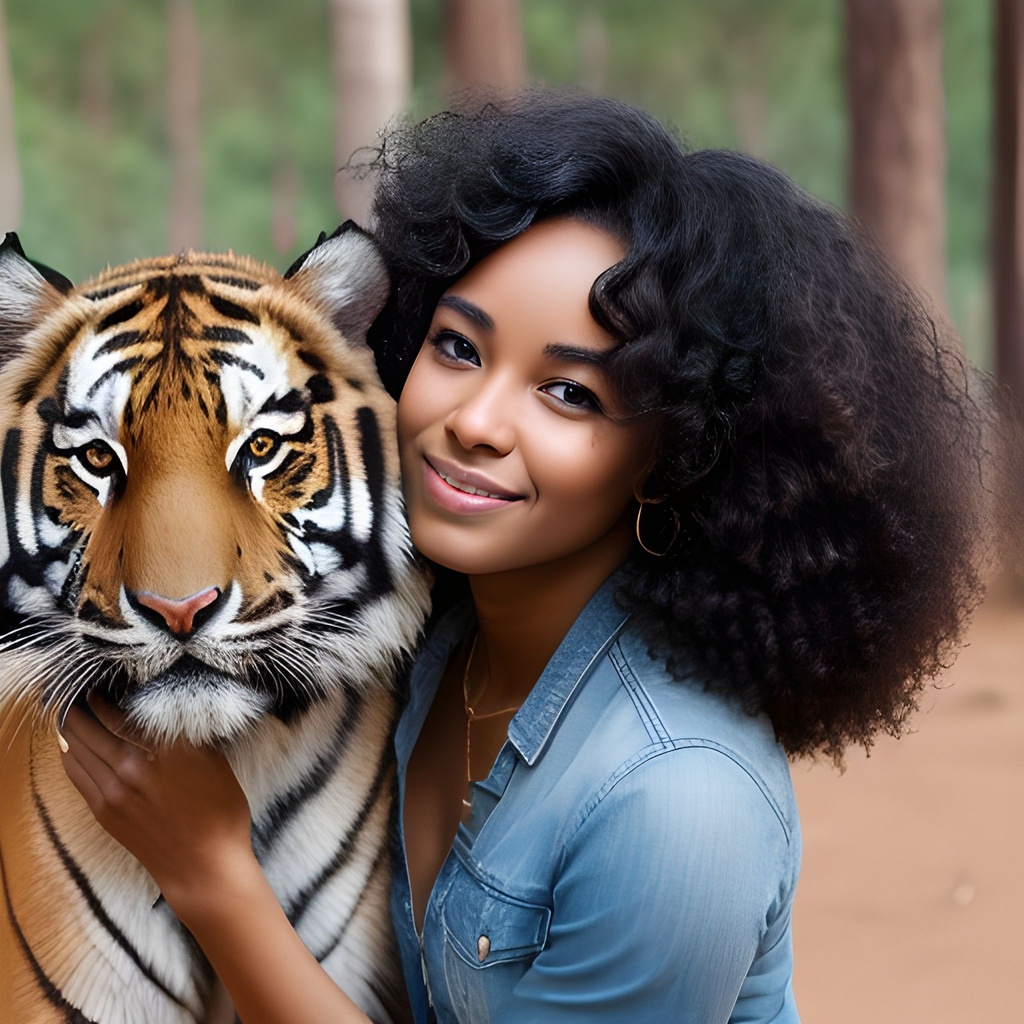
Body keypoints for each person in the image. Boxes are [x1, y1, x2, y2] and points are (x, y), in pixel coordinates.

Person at [61, 91, 991, 1023]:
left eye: (570, 394)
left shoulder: (676, 803)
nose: (474, 421)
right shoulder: (436, 635)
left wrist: (211, 875)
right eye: (458, 346)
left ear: (680, 457)